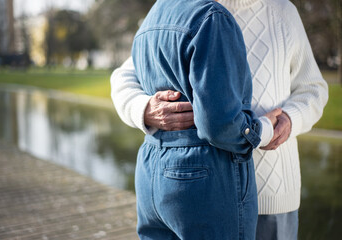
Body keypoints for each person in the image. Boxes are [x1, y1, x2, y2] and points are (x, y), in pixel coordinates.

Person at [111, 0, 329, 239]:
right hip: (212, 193)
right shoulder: (194, 13)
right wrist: (144, 109)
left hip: (273, 195)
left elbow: (313, 89)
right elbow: (124, 76)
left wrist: (290, 119)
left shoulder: (283, 10)